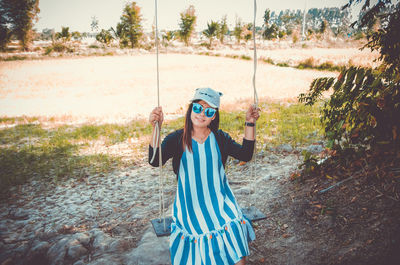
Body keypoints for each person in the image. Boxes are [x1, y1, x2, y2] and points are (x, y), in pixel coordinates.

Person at [148, 87, 260, 265]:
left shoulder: (220, 138)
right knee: (202, 243)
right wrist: (156, 127)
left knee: (234, 228)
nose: (202, 114)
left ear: (214, 116)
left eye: (208, 111)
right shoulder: (178, 138)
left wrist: (250, 122)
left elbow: (245, 155)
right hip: (190, 206)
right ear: (191, 109)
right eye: (198, 108)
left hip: (220, 201)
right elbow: (155, 161)